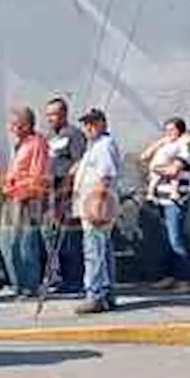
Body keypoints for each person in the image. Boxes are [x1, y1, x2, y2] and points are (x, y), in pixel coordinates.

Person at [139, 118, 190, 293]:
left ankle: (184, 280)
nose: (168, 133)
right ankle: (171, 276)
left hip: (175, 201)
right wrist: (160, 142)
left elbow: (174, 170)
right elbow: (144, 157)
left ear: (181, 131)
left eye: (172, 130)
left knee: (176, 240)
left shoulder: (183, 149)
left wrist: (156, 169)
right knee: (167, 241)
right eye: (166, 130)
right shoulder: (166, 146)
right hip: (161, 199)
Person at [74, 108, 122, 314]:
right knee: (101, 249)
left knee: (94, 251)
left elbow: (105, 177)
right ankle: (106, 293)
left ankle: (96, 294)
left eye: (92, 123)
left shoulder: (104, 145)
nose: (88, 127)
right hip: (90, 204)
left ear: (103, 123)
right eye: (86, 124)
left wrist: (96, 204)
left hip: (98, 205)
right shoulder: (93, 146)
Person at [1, 106, 51, 298]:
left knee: (25, 243)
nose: (12, 128)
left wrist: (24, 194)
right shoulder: (20, 144)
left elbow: (38, 174)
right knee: (7, 242)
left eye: (15, 124)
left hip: (26, 198)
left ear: (26, 124)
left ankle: (30, 285)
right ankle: (18, 283)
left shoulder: (37, 144)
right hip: (12, 196)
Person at [43, 98, 87, 295]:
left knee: (69, 237)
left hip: (66, 191)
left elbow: (80, 163)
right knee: (52, 235)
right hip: (50, 191)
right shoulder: (50, 136)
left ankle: (74, 279)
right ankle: (57, 276)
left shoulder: (74, 135)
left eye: (53, 114)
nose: (50, 118)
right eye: (48, 115)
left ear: (64, 114)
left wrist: (68, 186)